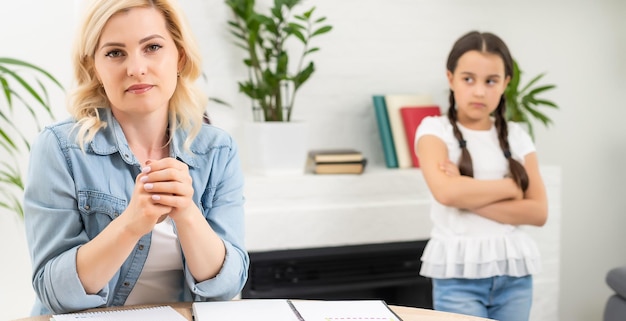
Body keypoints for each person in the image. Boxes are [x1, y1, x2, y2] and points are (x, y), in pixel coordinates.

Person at [23, 0, 249, 316]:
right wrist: (132, 223)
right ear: (94, 68)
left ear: (180, 57)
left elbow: (227, 286)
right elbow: (57, 293)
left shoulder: (217, 150)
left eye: (152, 47)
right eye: (115, 53)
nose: (136, 68)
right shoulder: (61, 148)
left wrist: (186, 212)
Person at [415, 31, 548, 321]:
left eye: (491, 81)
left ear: (505, 83)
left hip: (514, 276)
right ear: (450, 78)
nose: (479, 92)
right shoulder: (434, 131)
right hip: (458, 278)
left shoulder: (517, 136)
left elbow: (538, 212)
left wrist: (467, 193)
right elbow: (447, 194)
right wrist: (511, 188)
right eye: (468, 79)